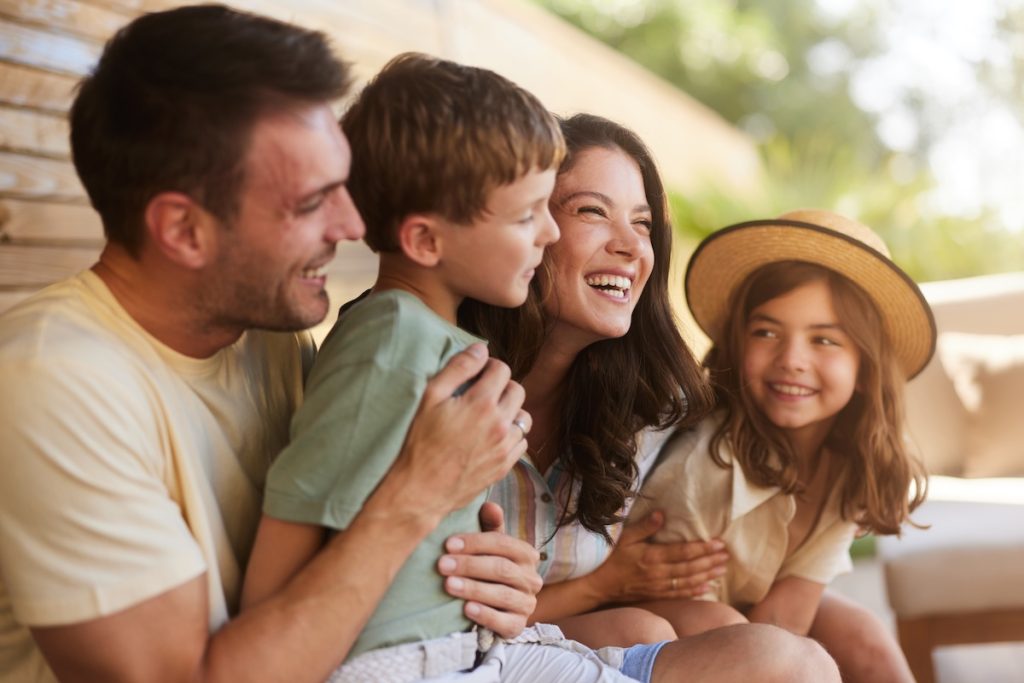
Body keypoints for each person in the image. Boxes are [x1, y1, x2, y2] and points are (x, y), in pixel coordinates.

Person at [0, 7, 545, 682]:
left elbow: (342, 551)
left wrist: (470, 574)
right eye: (313, 201)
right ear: (185, 230)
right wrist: (417, 498)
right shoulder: (51, 381)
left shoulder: (267, 342)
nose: (352, 224)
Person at [462, 114, 841, 683]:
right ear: (524, 223)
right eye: (592, 211)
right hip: (444, 651)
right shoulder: (448, 378)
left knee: (712, 627)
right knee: (661, 631)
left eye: (642, 224)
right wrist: (603, 584)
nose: (629, 245)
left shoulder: (646, 407)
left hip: (544, 638)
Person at [239, 52, 577, 679]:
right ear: (425, 241)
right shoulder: (390, 339)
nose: (550, 233)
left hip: (460, 646)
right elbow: (296, 511)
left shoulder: (428, 337)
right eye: (527, 215)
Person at [632, 209, 932, 682]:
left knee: (864, 635)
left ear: (865, 367)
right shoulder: (704, 464)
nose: (792, 360)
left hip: (745, 607)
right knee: (727, 625)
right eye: (767, 332)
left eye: (824, 340)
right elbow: (691, 610)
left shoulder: (852, 465)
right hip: (649, 615)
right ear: (737, 346)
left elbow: (786, 616)